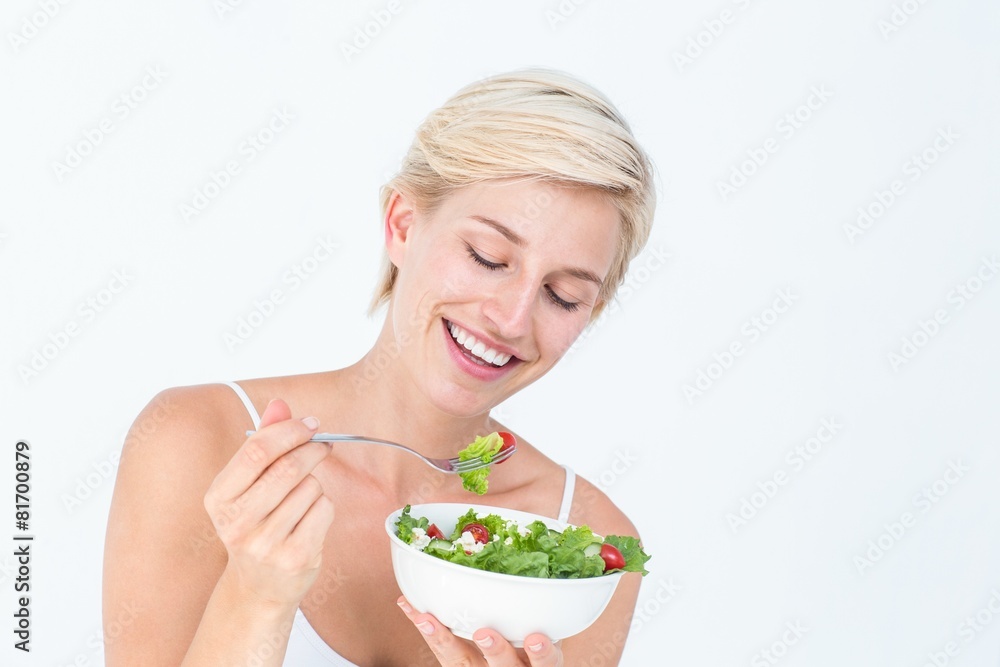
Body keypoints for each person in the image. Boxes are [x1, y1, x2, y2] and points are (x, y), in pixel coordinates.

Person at [102, 67, 657, 666]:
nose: (513, 319)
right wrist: (256, 595)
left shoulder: (590, 547)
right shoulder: (198, 441)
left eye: (563, 296)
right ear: (402, 224)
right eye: (487, 257)